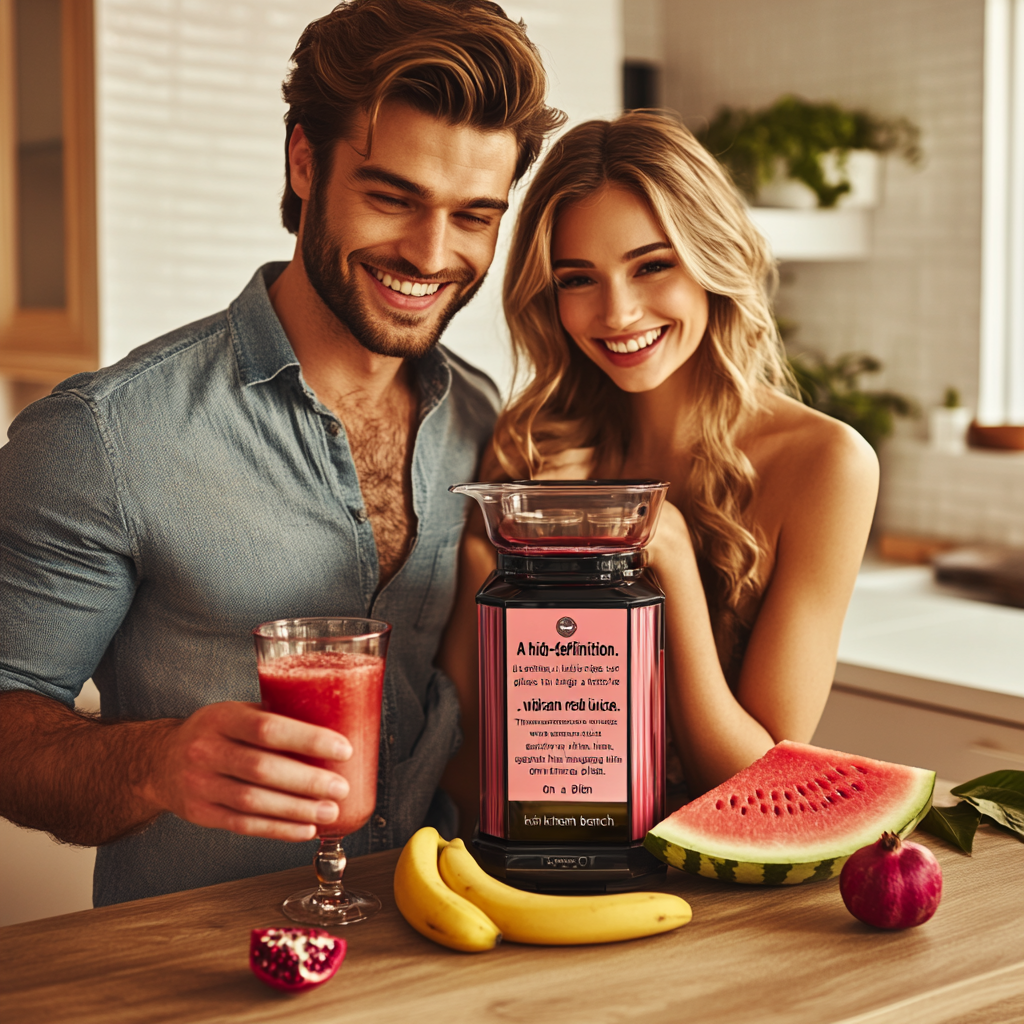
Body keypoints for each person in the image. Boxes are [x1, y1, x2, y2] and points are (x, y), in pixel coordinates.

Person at [0, 0, 563, 906]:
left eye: (474, 216)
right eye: (392, 196)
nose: (431, 251)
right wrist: (156, 763)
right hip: (198, 974)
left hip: (434, 940)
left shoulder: (485, 418)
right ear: (305, 161)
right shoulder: (103, 436)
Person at [439, 111, 878, 821]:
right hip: (558, 860)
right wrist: (484, 562)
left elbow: (759, 785)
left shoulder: (827, 465)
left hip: (726, 884)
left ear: (712, 258)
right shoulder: (531, 444)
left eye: (652, 265)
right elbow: (466, 763)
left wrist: (668, 554)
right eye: (578, 278)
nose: (617, 312)